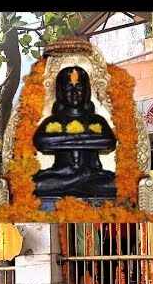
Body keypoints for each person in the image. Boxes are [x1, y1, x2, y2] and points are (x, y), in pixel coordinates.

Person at [32, 66, 117, 201]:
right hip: (60, 175)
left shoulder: (96, 120)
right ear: (60, 92)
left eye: (79, 88)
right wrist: (88, 138)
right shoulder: (53, 121)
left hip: (92, 176)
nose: (74, 93)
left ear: (86, 91)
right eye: (68, 88)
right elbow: (40, 141)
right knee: (37, 184)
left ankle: (76, 181)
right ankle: (76, 179)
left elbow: (108, 141)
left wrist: (62, 140)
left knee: (115, 184)